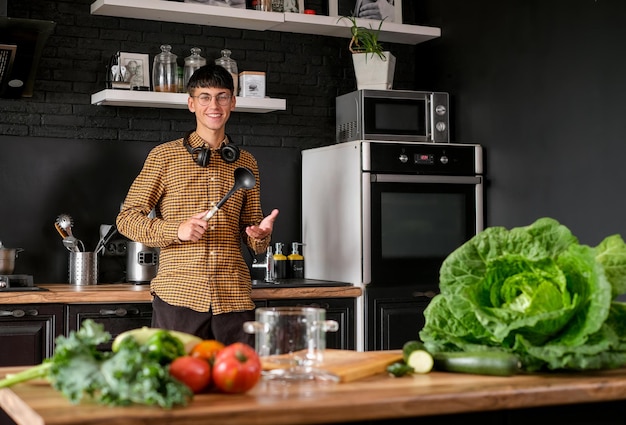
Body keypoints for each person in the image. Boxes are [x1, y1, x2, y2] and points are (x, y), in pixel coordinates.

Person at [116, 64, 279, 346]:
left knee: (238, 387)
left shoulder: (246, 162)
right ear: (191, 103)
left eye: (222, 96)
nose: (213, 105)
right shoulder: (164, 157)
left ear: (233, 102)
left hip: (234, 299)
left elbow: (251, 230)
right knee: (177, 387)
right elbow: (127, 219)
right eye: (204, 96)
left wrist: (260, 236)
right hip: (179, 298)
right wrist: (176, 230)